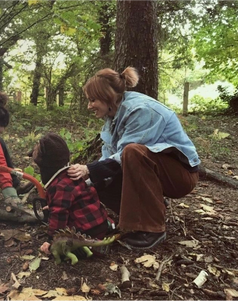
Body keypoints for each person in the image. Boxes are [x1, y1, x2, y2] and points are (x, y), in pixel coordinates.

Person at [67, 67, 200, 250]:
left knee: (132, 153)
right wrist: (81, 185)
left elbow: (125, 157)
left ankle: (153, 229)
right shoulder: (112, 117)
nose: (89, 106)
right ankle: (151, 209)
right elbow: (108, 160)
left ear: (107, 97)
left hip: (181, 177)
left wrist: (89, 169)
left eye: (92, 100)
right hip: (158, 171)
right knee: (100, 179)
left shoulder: (140, 109)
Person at [32, 133, 115, 255]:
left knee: (64, 247)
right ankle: (106, 227)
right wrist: (53, 204)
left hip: (86, 231)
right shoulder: (68, 175)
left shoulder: (59, 185)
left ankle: (88, 248)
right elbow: (74, 200)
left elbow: (59, 214)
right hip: (98, 222)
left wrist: (52, 240)